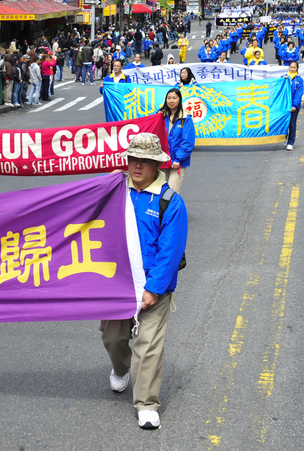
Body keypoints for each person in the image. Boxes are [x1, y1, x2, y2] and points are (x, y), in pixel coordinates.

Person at [102, 133, 188, 430]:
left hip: (154, 288)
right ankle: (120, 368)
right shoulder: (113, 190)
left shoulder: (170, 201)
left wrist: (153, 289)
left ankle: (147, 404)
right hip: (117, 284)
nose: (137, 166)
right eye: (133, 159)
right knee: (113, 339)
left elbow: (170, 251)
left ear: (157, 164)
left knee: (148, 344)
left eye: (145, 161)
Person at [159, 88, 195, 192]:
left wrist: (178, 159)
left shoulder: (185, 118)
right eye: (169, 98)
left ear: (180, 99)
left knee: (171, 191)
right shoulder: (161, 116)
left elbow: (188, 142)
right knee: (160, 190)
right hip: (162, 159)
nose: (171, 101)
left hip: (177, 161)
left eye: (174, 98)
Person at [285, 61, 304, 152]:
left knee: (292, 123)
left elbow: (299, 94)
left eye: (294, 67)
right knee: (284, 123)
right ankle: (284, 137)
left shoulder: (299, 80)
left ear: (297, 68)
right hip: (284, 105)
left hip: (294, 106)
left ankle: (290, 142)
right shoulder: (284, 77)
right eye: (291, 67)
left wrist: (294, 105)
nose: (292, 69)